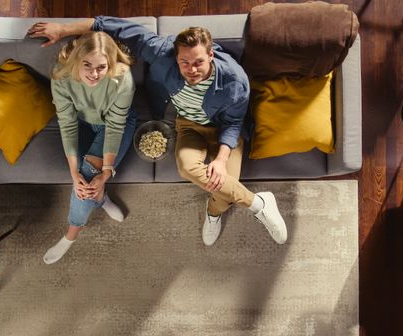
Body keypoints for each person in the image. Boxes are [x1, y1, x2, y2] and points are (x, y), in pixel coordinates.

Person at [28, 18, 288, 247]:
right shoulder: (162, 52)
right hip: (188, 125)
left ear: (211, 55)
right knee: (189, 169)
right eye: (184, 62)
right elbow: (113, 26)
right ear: (175, 57)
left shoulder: (235, 79)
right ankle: (258, 204)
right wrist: (63, 29)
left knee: (223, 185)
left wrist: (220, 160)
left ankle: (215, 212)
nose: (191, 69)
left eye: (198, 61)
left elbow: (234, 122)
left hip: (224, 133)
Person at [38, 30, 140, 264]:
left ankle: (70, 236)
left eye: (101, 67)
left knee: (90, 175)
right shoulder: (60, 76)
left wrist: (105, 172)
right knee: (81, 177)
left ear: (110, 64)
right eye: (87, 65)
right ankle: (102, 199)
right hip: (82, 124)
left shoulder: (123, 79)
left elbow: (114, 126)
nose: (94, 74)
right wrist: (73, 173)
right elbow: (67, 122)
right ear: (77, 60)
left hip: (115, 125)